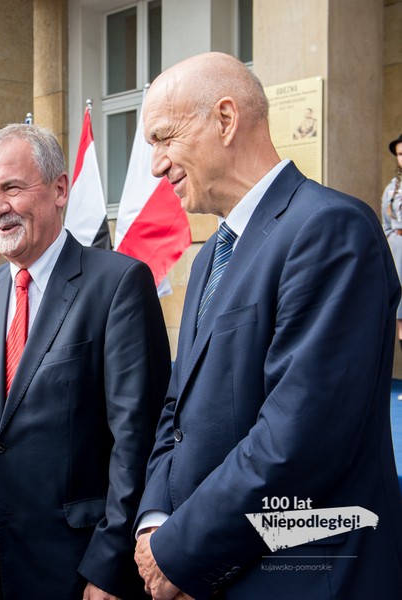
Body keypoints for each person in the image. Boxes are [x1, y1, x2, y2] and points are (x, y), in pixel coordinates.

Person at [133, 52, 402, 600]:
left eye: (164, 138)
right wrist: (155, 520)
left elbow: (299, 439)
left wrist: (181, 551)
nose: (156, 166)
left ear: (226, 120)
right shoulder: (212, 255)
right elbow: (177, 408)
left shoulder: (330, 229)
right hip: (211, 567)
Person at [0, 124, 171, 600]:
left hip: (78, 569)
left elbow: (137, 436)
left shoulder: (118, 284)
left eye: (12, 188)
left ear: (60, 190)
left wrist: (111, 564)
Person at [382, 133, 402, 359]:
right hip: (398, 250)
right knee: (400, 317)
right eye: (399, 154)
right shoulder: (392, 188)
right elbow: (386, 222)